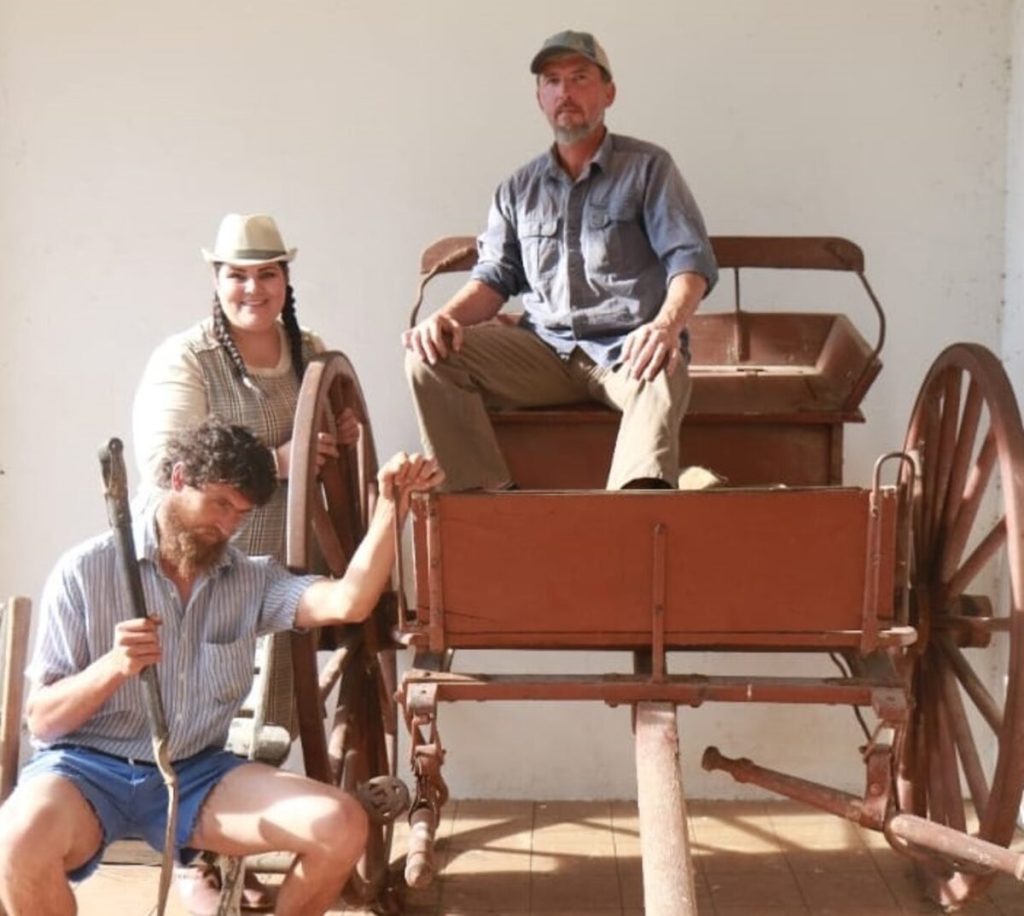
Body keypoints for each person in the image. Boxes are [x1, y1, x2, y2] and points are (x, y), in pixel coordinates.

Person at [0, 419, 444, 916]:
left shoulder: (250, 579)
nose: (229, 526)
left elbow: (349, 601)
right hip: (85, 771)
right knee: (15, 840)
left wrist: (390, 507)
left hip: (195, 772)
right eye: (220, 504)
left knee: (341, 824)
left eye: (242, 513)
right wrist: (114, 667)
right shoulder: (84, 571)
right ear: (179, 479)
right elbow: (43, 721)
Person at [132, 213, 358, 910]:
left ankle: (241, 848)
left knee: (272, 716)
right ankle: (199, 861)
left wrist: (340, 435)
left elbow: (335, 421)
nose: (252, 289)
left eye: (266, 274)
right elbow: (168, 464)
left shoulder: (310, 353)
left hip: (280, 565)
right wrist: (280, 459)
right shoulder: (187, 360)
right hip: (198, 564)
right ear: (216, 280)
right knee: (198, 709)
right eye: (236, 275)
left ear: (286, 279)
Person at [404, 30, 718, 491]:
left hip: (627, 350)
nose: (565, 92)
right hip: (545, 351)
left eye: (579, 77)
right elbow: (495, 277)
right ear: (540, 98)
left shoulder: (649, 168)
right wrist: (444, 318)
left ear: (608, 92)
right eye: (552, 81)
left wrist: (665, 327)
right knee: (426, 357)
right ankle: (483, 505)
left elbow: (690, 261)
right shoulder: (518, 189)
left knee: (664, 367)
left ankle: (634, 509)